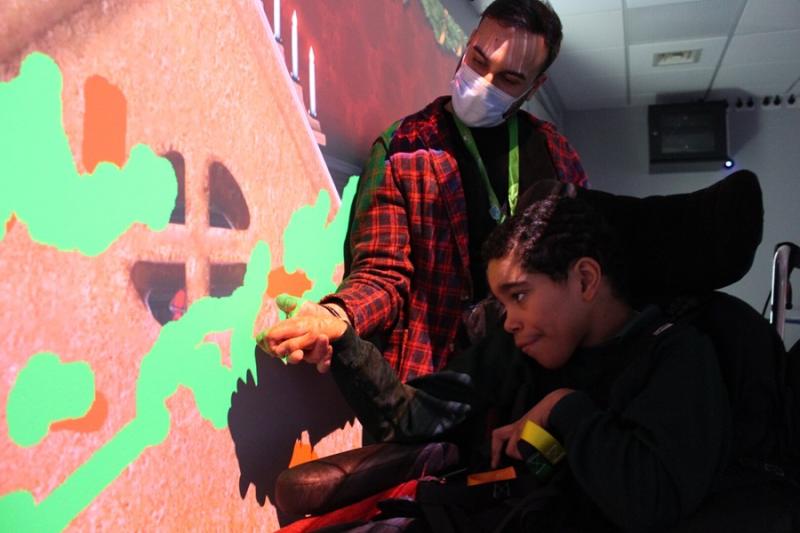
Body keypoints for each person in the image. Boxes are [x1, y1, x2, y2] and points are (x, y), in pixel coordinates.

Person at [264, 194, 733, 531]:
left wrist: (562, 407)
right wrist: (344, 338)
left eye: (520, 296)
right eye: (502, 304)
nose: (507, 321)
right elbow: (412, 415)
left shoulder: (676, 357)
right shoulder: (518, 348)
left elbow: (649, 502)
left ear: (585, 280)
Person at [280, 0, 588, 382]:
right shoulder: (403, 148)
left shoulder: (557, 154)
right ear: (468, 42)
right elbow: (383, 273)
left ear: (534, 86)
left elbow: (581, 266)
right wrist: (336, 316)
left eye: (509, 79)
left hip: (535, 383)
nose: (483, 84)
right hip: (432, 387)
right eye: (478, 59)